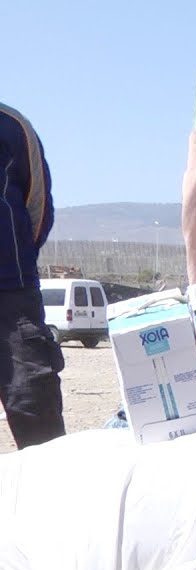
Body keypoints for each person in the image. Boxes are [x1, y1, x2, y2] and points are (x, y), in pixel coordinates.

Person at [0, 102, 65, 449]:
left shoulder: (11, 126)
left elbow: (36, 205)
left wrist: (15, 259)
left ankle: (52, 501)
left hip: (11, 297)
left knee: (34, 406)